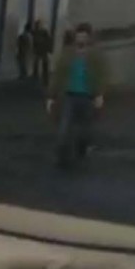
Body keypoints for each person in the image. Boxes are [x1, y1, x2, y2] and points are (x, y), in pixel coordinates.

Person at [47, 23, 108, 170]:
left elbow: (101, 76)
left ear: (88, 38)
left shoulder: (95, 56)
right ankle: (61, 157)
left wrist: (99, 94)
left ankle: (82, 148)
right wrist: (51, 96)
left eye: (84, 36)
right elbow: (58, 75)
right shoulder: (68, 54)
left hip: (87, 96)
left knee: (85, 129)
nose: (80, 39)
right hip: (69, 95)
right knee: (64, 128)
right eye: (78, 36)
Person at [32, 19, 53, 87]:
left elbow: (48, 40)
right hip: (40, 50)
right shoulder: (36, 32)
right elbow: (35, 42)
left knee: (42, 64)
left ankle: (42, 79)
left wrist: (49, 49)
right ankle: (40, 79)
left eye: (37, 24)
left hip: (42, 50)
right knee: (39, 64)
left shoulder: (41, 32)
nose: (37, 26)